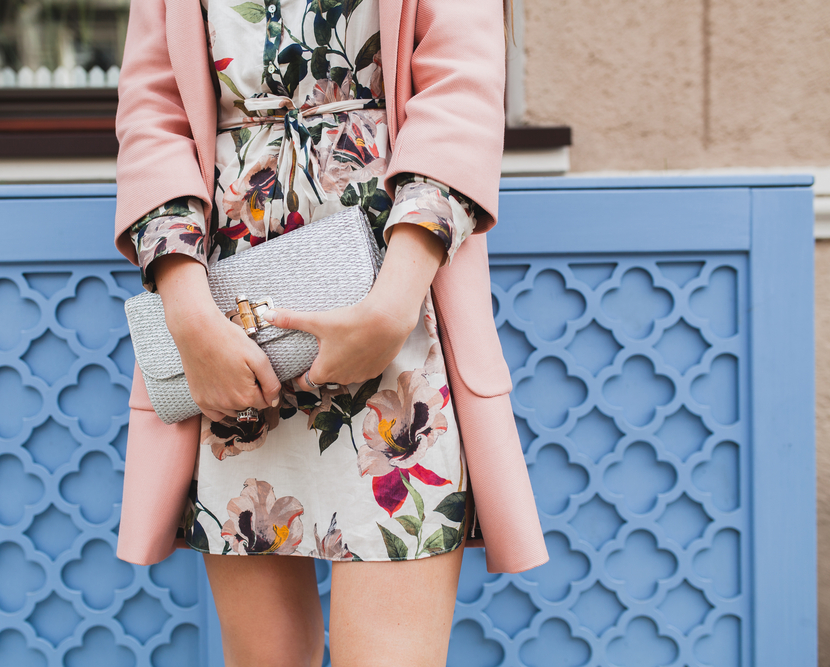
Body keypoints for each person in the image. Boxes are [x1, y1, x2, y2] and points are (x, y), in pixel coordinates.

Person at [112, 1, 548, 665]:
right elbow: (153, 112)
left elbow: (460, 95)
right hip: (235, 329)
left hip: (398, 312)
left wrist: (391, 309)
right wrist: (191, 319)